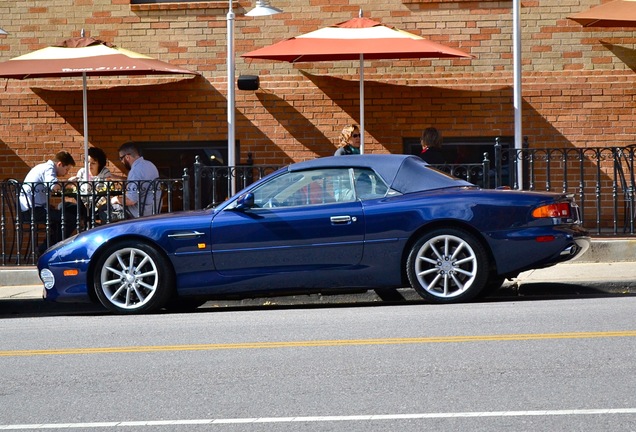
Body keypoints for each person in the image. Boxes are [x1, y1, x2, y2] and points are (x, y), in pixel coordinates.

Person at [19, 151, 77, 253]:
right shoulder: (49, 169)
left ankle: (49, 247)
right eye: (66, 169)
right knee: (70, 218)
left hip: (29, 209)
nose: (66, 173)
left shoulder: (43, 167)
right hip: (33, 211)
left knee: (58, 218)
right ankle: (48, 249)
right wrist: (69, 182)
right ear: (59, 164)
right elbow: (54, 186)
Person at [102, 143, 159, 220]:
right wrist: (117, 177)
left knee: (104, 210)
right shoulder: (149, 164)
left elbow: (131, 201)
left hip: (139, 212)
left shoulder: (135, 171)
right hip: (153, 208)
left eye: (121, 158)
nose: (121, 162)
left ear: (127, 157)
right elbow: (138, 181)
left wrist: (115, 199)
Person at [68, 147, 112, 227]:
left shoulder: (105, 172)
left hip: (98, 205)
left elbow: (107, 191)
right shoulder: (82, 172)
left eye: (93, 163)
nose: (89, 165)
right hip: (83, 204)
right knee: (64, 206)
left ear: (99, 163)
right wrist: (71, 182)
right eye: (87, 162)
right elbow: (76, 188)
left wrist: (95, 205)